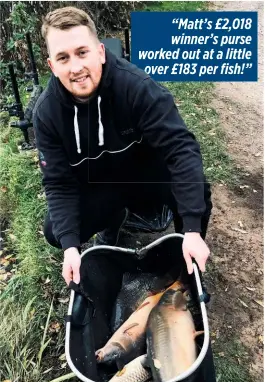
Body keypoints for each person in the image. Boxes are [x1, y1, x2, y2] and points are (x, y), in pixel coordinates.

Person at [33, 6, 212, 287]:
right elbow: (58, 183)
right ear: (52, 67)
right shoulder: (47, 114)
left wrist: (191, 228)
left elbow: (181, 149)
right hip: (99, 186)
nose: (76, 67)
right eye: (63, 58)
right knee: (57, 230)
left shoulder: (137, 87)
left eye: (83, 52)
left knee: (197, 189)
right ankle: (112, 221)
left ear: (101, 52)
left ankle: (185, 256)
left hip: (145, 176)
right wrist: (70, 247)